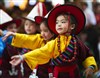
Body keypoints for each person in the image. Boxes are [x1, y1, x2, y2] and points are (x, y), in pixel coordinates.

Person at [3, 4, 98, 78]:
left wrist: (90, 67)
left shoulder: (76, 42)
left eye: (63, 22)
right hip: (56, 74)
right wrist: (23, 57)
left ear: (72, 26)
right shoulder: (55, 42)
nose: (59, 24)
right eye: (57, 22)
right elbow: (43, 50)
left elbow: (86, 55)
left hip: (73, 74)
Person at [0, 9, 22, 78]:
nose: (13, 30)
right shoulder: (2, 41)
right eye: (10, 28)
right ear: (4, 31)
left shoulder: (19, 40)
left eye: (15, 28)